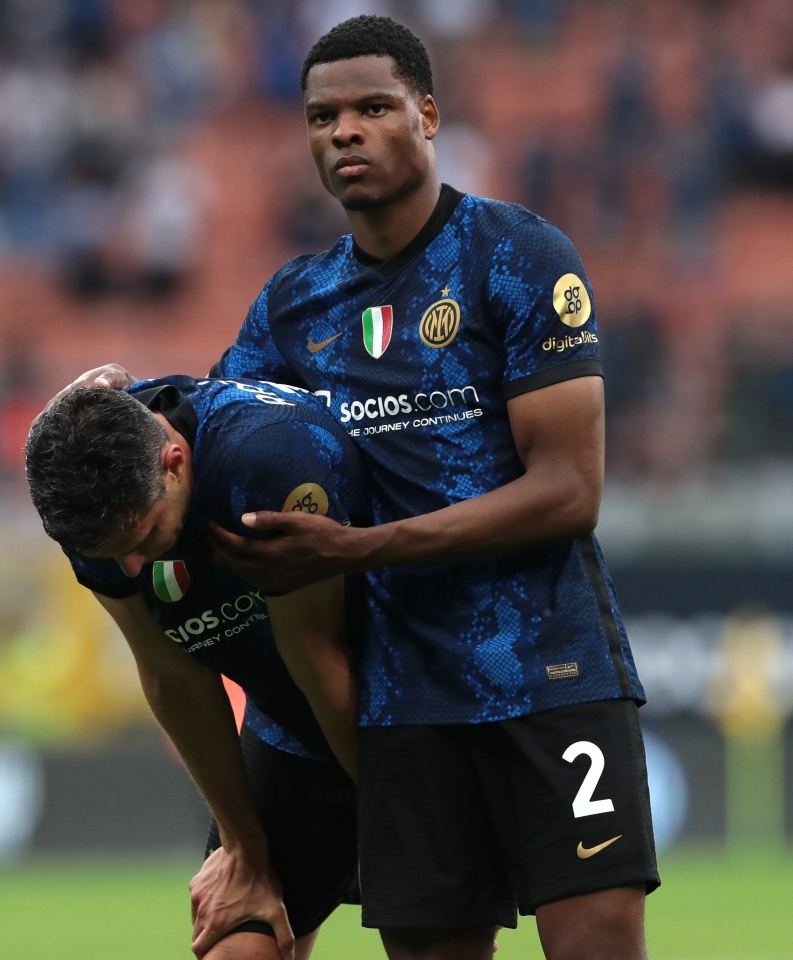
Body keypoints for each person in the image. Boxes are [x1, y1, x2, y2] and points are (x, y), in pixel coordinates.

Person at [66, 14, 660, 960]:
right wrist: (114, 412)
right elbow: (214, 433)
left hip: (547, 668)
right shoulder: (291, 307)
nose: (344, 132)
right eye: (322, 116)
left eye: (373, 108)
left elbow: (568, 494)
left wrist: (362, 549)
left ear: (428, 115)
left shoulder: (518, 255)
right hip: (399, 699)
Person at [24, 375, 371, 960]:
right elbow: (172, 676)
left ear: (175, 463)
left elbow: (317, 658)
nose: (134, 569)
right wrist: (244, 851)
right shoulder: (89, 497)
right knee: (234, 935)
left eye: (145, 537)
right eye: (114, 556)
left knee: (431, 934)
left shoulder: (265, 461)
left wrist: (392, 814)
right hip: (291, 724)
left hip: (409, 701)